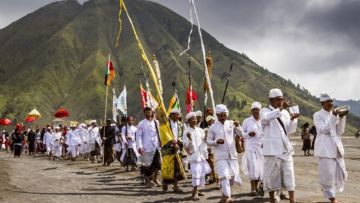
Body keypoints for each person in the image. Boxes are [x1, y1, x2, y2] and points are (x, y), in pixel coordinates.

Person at [260, 88, 299, 203]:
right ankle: (272, 199)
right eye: (278, 99)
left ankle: (292, 199)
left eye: (282, 99)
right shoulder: (265, 111)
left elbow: (290, 130)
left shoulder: (285, 113)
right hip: (271, 150)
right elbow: (265, 119)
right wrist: (280, 109)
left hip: (285, 149)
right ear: (271, 100)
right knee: (272, 176)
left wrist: (293, 120)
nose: (281, 101)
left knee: (289, 173)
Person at [313, 93, 348, 203]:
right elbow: (324, 129)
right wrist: (334, 117)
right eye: (328, 102)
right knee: (328, 175)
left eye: (332, 101)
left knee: (341, 174)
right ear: (322, 103)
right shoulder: (317, 115)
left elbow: (340, 132)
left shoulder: (335, 115)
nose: (331, 104)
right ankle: (332, 198)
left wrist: (341, 118)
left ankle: (330, 192)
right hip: (325, 150)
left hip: (336, 149)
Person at [207, 104, 242, 203]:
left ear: (227, 114)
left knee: (232, 177)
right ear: (217, 115)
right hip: (221, 156)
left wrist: (238, 126)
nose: (223, 117)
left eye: (224, 115)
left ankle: (224, 196)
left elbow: (241, 134)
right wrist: (216, 142)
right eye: (220, 115)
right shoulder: (213, 127)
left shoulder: (232, 123)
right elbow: (208, 141)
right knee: (224, 176)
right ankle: (228, 198)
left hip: (232, 155)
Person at [183, 112, 211, 201]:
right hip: (193, 156)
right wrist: (190, 140)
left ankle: (197, 190)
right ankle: (194, 192)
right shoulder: (186, 132)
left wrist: (206, 136)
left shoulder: (200, 130)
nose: (195, 120)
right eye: (193, 119)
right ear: (188, 121)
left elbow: (204, 141)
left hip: (201, 155)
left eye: (195, 118)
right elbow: (186, 146)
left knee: (201, 173)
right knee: (196, 173)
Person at [241, 101, 263, 196]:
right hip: (250, 147)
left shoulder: (263, 120)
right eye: (253, 110)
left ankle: (258, 187)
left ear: (260, 111)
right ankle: (253, 188)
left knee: (260, 168)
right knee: (253, 167)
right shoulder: (247, 121)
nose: (255, 112)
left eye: (257, 110)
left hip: (262, 147)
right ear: (251, 111)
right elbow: (241, 133)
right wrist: (248, 134)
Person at [136, 107, 162, 188]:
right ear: (144, 113)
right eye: (146, 112)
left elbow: (159, 133)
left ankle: (155, 178)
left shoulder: (156, 122)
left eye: (149, 112)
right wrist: (140, 147)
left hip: (156, 146)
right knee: (148, 166)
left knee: (158, 164)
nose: (148, 113)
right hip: (146, 147)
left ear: (152, 113)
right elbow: (138, 136)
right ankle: (148, 181)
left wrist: (161, 141)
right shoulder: (141, 123)